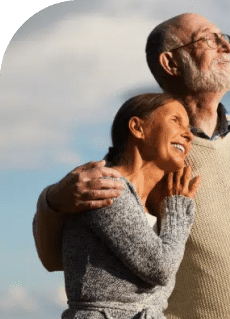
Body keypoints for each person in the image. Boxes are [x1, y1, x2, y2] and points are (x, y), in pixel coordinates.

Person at [33, 13, 230, 319]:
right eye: (209, 39)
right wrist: (52, 200)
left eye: (226, 38)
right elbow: (58, 258)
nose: (226, 46)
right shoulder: (151, 156)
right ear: (171, 63)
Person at [61, 93, 200, 319]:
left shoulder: (148, 205)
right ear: (137, 128)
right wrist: (177, 210)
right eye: (176, 121)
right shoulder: (107, 187)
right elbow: (160, 268)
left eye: (189, 127)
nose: (189, 135)